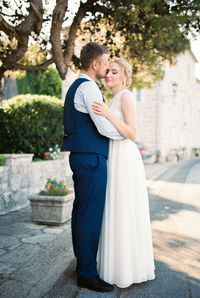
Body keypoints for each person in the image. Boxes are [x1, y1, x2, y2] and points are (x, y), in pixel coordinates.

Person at [62, 43, 125, 292]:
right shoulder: (88, 88)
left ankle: (83, 264)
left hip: (83, 156)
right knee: (90, 215)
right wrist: (126, 135)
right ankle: (87, 273)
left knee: (81, 213)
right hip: (91, 158)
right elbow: (103, 127)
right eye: (106, 61)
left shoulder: (77, 86)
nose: (108, 66)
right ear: (95, 63)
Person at [92, 58, 155, 288]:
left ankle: (128, 269)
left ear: (124, 75)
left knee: (124, 209)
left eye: (114, 71)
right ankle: (116, 266)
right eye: (107, 71)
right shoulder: (113, 97)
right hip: (114, 156)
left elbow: (132, 133)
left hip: (125, 158)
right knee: (115, 209)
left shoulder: (126, 96)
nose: (108, 75)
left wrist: (108, 115)